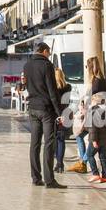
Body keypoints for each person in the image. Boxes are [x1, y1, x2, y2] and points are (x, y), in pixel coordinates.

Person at [22, 42, 65, 188]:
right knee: (49, 143)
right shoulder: (47, 66)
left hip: (33, 107)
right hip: (46, 109)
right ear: (45, 51)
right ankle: (49, 180)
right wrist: (59, 112)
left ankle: (35, 177)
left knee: (34, 144)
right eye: (49, 52)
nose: (49, 55)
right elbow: (52, 91)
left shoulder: (27, 65)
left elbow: (27, 86)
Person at [84, 55, 106, 184]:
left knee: (90, 154)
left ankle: (95, 173)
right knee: (102, 155)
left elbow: (94, 127)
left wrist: (94, 140)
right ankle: (105, 175)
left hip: (98, 133)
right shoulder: (102, 80)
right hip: (105, 132)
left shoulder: (95, 81)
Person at [53, 67, 71, 174]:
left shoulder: (53, 88)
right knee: (62, 140)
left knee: (56, 139)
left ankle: (58, 163)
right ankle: (60, 163)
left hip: (56, 115)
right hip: (65, 114)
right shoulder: (68, 87)